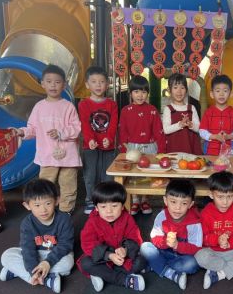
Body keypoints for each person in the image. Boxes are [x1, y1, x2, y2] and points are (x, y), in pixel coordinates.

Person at [13, 64, 82, 214]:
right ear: (42, 84)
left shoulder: (68, 106)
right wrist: (21, 132)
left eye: (57, 82)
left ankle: (66, 211)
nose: (53, 85)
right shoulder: (39, 107)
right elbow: (32, 129)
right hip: (47, 156)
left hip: (68, 156)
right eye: (49, 81)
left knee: (68, 185)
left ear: (64, 85)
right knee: (45, 186)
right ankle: (45, 210)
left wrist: (61, 133)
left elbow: (76, 128)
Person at [0, 179, 74, 293]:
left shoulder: (64, 219)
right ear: (27, 205)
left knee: (68, 263)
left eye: (48, 203)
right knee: (6, 255)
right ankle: (46, 279)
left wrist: (48, 263)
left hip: (55, 254)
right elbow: (27, 248)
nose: (43, 210)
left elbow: (65, 245)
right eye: (37, 205)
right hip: (36, 253)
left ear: (57, 200)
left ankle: (16, 271)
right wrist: (32, 271)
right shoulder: (27, 223)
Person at [77, 181, 146, 292]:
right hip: (102, 260)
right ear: (96, 208)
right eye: (103, 207)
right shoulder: (92, 222)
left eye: (114, 206)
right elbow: (87, 243)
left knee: (141, 261)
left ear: (122, 206)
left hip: (122, 259)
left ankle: (102, 275)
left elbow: (135, 237)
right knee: (86, 263)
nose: (109, 211)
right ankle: (124, 280)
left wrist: (125, 249)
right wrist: (109, 255)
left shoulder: (127, 218)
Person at [140, 179, 202, 290]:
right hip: (164, 252)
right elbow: (154, 238)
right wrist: (166, 242)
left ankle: (156, 265)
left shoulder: (194, 223)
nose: (178, 207)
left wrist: (177, 245)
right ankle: (171, 274)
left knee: (192, 264)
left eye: (184, 203)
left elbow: (196, 248)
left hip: (181, 257)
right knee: (145, 247)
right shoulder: (162, 216)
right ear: (165, 200)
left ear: (191, 204)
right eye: (173, 202)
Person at [118, 75, 166, 216]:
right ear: (130, 93)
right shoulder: (125, 110)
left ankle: (145, 200)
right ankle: (135, 200)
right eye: (136, 91)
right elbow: (122, 131)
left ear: (148, 93)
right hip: (131, 148)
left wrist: (161, 150)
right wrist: (124, 150)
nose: (140, 95)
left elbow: (159, 131)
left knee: (147, 175)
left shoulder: (153, 110)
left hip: (150, 147)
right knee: (133, 175)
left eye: (144, 92)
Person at [78, 66, 118, 215]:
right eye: (94, 81)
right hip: (90, 147)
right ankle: (90, 200)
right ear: (87, 85)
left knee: (108, 175)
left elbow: (113, 124)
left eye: (101, 82)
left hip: (108, 147)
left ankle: (106, 200)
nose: (98, 85)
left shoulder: (112, 104)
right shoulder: (84, 104)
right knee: (90, 175)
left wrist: (109, 138)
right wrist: (90, 140)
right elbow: (85, 124)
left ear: (107, 84)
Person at [199, 74, 233, 156]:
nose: (221, 94)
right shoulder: (208, 112)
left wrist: (228, 136)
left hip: (228, 153)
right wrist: (214, 136)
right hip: (210, 151)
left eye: (225, 91)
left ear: (231, 94)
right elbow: (202, 131)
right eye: (218, 91)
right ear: (212, 94)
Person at [162, 73, 202, 155]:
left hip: (191, 148)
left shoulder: (191, 108)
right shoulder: (168, 109)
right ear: (169, 90)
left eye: (182, 88)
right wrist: (180, 124)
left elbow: (198, 128)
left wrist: (191, 125)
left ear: (186, 90)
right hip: (173, 149)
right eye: (175, 87)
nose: (179, 91)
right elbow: (165, 130)